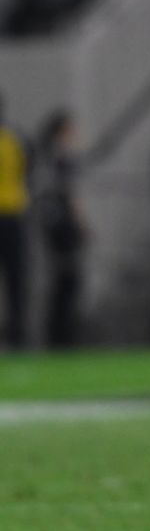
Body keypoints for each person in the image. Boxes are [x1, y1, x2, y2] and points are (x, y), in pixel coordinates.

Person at [37, 110, 86, 347]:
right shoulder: (59, 159)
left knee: (65, 280)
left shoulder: (48, 159)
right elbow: (67, 195)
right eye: (70, 130)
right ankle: (61, 338)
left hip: (55, 224)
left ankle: (60, 336)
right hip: (61, 226)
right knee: (68, 280)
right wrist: (79, 223)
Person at [0, 91, 28, 348]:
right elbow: (30, 171)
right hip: (14, 215)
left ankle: (18, 336)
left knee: (16, 281)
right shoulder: (15, 136)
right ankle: (17, 338)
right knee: (16, 281)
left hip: (13, 213)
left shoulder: (15, 136)